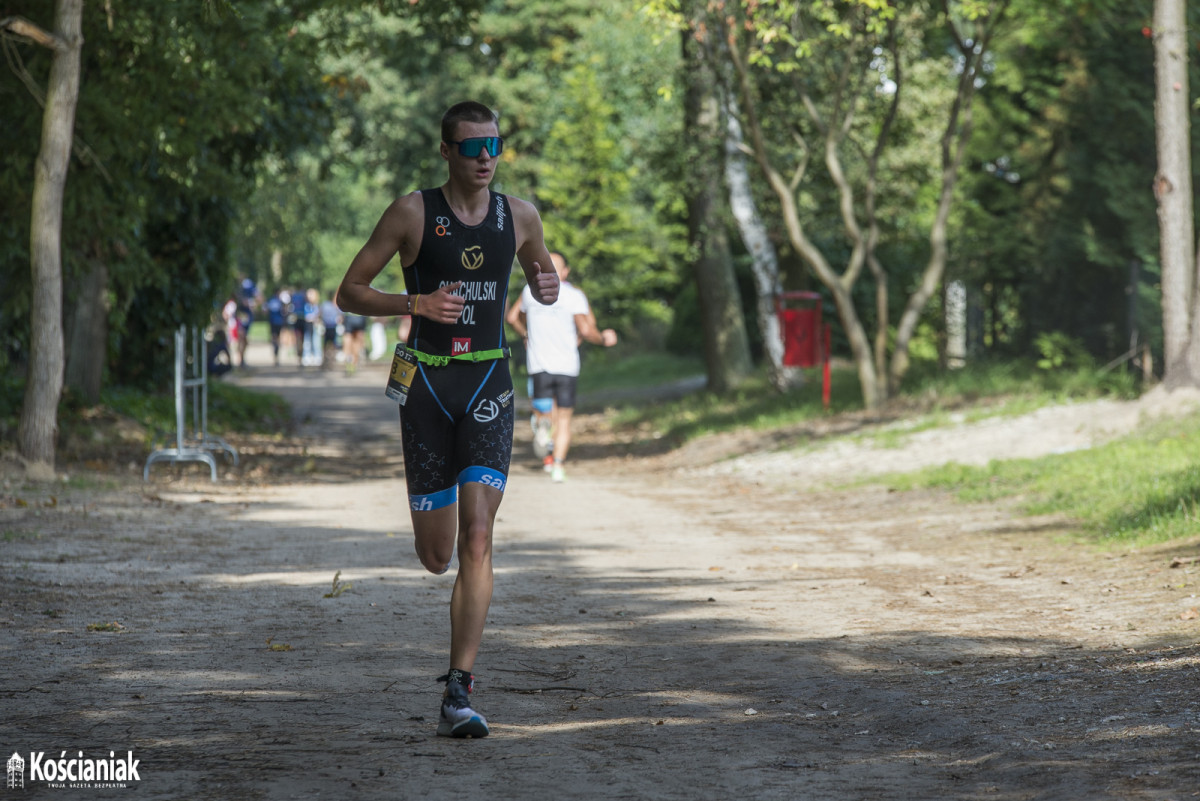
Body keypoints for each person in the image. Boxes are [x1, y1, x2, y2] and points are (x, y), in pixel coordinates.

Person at [335, 100, 559, 739]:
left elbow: (545, 277)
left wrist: (546, 290)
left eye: (494, 146)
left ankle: (459, 691)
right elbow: (348, 291)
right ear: (447, 152)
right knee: (436, 555)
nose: (485, 158)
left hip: (489, 379)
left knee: (479, 535)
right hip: (428, 384)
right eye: (471, 148)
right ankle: (455, 670)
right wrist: (415, 302)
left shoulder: (519, 216)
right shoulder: (412, 213)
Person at [506, 252, 617, 482]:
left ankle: (543, 429)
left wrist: (526, 334)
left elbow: (511, 317)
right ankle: (557, 465)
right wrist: (604, 339)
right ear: (565, 272)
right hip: (566, 366)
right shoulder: (573, 295)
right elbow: (586, 330)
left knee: (545, 412)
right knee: (564, 419)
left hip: (538, 364)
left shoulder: (529, 292)